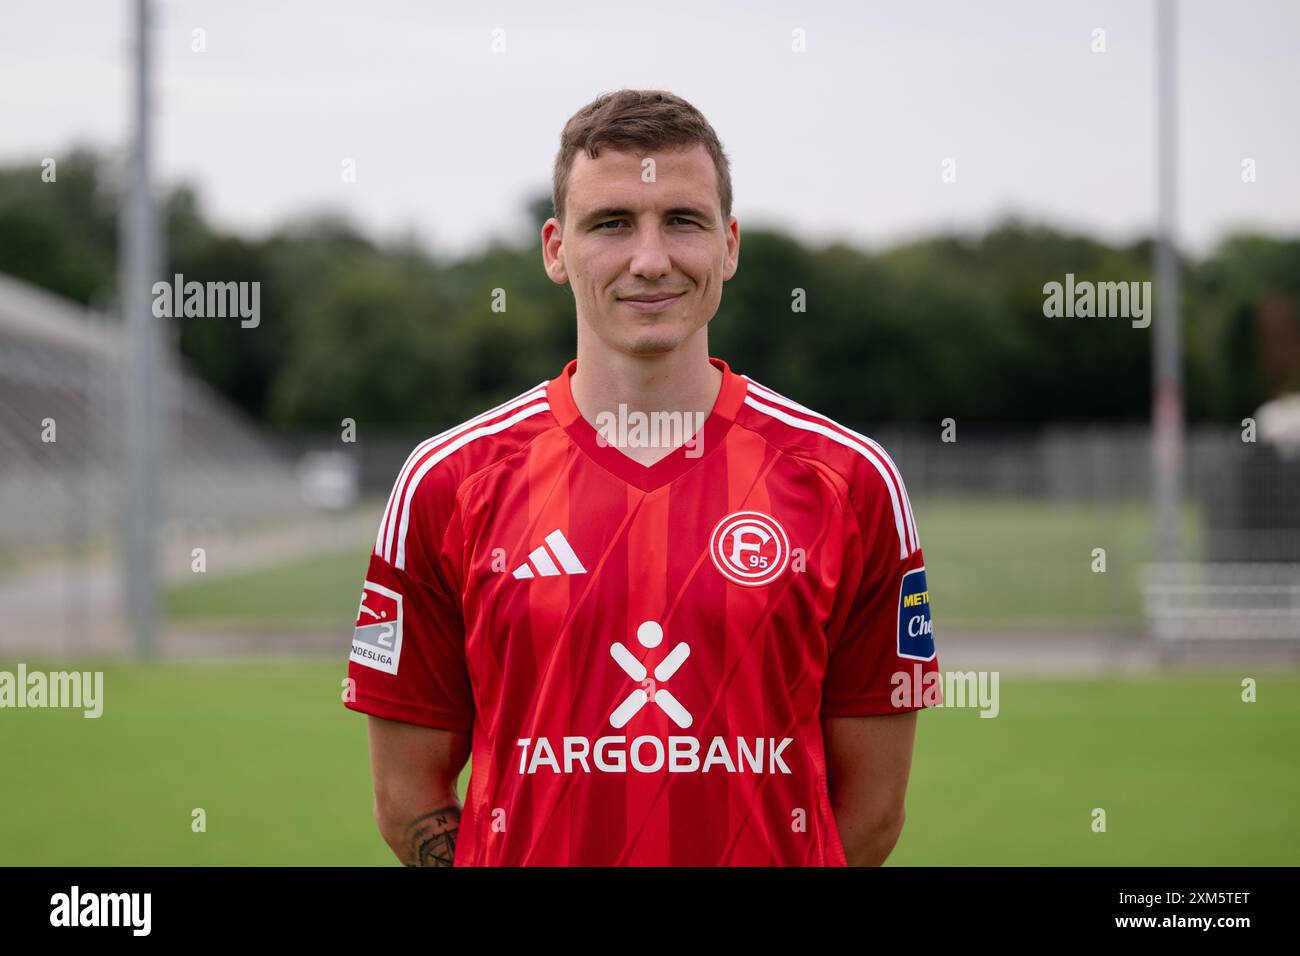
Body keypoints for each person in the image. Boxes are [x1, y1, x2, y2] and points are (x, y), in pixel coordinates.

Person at [345, 89, 940, 866]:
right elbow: (406, 797)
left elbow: (871, 814)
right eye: (612, 223)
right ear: (556, 249)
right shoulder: (445, 482)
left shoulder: (850, 482)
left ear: (729, 245)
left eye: (683, 221)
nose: (651, 260)